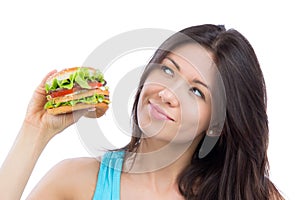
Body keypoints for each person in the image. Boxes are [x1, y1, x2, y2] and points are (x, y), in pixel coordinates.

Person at [0, 24, 285, 200]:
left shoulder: (252, 195)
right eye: (167, 70)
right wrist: (34, 131)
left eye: (196, 91)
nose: (167, 93)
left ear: (216, 124)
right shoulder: (76, 180)